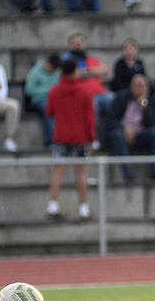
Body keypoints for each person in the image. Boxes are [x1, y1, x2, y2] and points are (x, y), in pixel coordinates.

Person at [46, 59, 96, 220]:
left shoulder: (55, 91)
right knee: (81, 172)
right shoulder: (85, 91)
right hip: (80, 137)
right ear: (75, 71)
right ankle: (83, 208)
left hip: (61, 135)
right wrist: (92, 138)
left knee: (58, 171)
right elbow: (90, 118)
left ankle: (53, 205)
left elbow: (49, 111)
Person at [105, 74, 155, 181]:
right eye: (138, 86)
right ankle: (128, 174)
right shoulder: (121, 97)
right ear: (132, 86)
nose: (141, 89)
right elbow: (111, 121)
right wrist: (124, 128)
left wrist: (144, 107)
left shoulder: (150, 100)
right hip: (122, 134)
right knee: (117, 135)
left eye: (144, 86)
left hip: (140, 135)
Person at [63, 33, 112, 141]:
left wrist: (87, 71)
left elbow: (105, 70)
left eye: (79, 43)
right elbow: (72, 74)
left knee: (115, 101)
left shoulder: (90, 59)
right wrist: (92, 71)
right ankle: (94, 140)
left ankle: (111, 137)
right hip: (84, 96)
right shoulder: (67, 60)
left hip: (101, 93)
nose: (77, 46)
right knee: (93, 107)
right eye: (75, 44)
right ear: (70, 46)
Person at [24, 54, 62, 147]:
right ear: (48, 64)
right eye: (52, 69)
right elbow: (29, 90)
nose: (53, 71)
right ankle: (50, 142)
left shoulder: (57, 72)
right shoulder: (35, 72)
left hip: (55, 99)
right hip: (39, 99)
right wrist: (47, 91)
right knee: (49, 110)